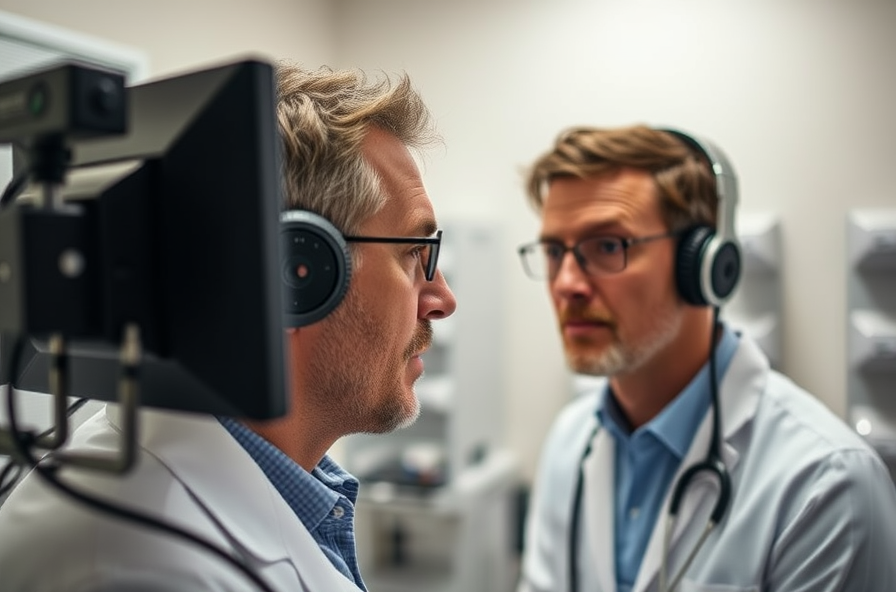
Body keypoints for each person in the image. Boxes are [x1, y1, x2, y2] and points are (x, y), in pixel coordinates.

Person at [0, 61, 456, 591]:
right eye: (414, 252)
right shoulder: (142, 571)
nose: (443, 298)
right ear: (297, 273)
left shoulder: (288, 487)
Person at [514, 124, 896, 592]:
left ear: (704, 265)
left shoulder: (828, 485)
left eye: (608, 246)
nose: (566, 282)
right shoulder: (568, 443)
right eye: (554, 251)